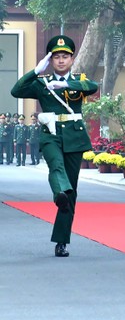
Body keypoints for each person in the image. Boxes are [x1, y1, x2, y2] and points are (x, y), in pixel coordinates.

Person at [10, 36, 98, 257]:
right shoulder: (42, 83)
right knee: (56, 166)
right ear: (50, 60)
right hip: (50, 134)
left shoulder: (79, 80)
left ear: (71, 58)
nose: (60, 61)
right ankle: (59, 191)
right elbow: (16, 90)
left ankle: (61, 241)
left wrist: (67, 83)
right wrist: (35, 71)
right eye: (56, 57)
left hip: (74, 137)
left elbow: (93, 87)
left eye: (65, 56)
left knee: (72, 192)